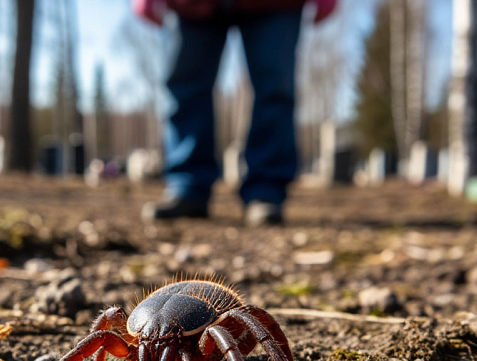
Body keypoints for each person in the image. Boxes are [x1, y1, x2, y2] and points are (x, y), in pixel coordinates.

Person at [135, 0, 337, 226]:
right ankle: (187, 185)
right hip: (188, 5)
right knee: (185, 86)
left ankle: (266, 190)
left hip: (277, 6)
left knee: (275, 88)